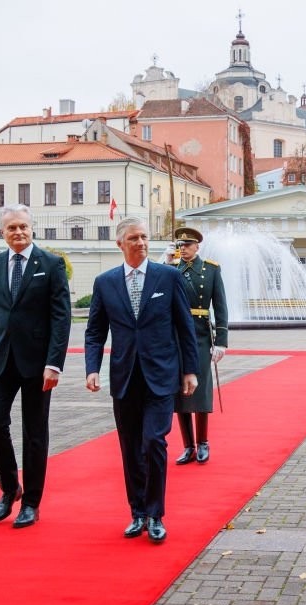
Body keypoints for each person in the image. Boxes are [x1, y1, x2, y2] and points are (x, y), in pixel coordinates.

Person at [84, 217, 199, 543]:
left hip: (162, 376)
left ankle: (156, 514)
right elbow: (94, 331)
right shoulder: (105, 282)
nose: (141, 242)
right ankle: (137, 513)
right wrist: (92, 367)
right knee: (131, 448)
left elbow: (184, 327)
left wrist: (190, 370)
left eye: (145, 237)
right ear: (120, 244)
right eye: (134, 238)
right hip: (124, 378)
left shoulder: (169, 276)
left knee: (154, 442)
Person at [0, 204, 72, 529]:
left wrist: (54, 363)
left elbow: (61, 317)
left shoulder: (51, 263)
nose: (18, 232)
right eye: (11, 228)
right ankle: (9, 488)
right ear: (2, 232)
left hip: (37, 364)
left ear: (32, 228)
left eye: (23, 227)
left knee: (34, 434)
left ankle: (31, 502)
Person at [172, 226, 229, 466]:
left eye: (187, 245)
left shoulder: (211, 270)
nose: (183, 249)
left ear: (197, 246)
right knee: (180, 391)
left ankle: (203, 442)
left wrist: (222, 342)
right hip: (176, 335)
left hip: (202, 335)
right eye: (180, 246)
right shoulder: (170, 270)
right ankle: (188, 446)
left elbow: (221, 307)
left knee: (201, 388)